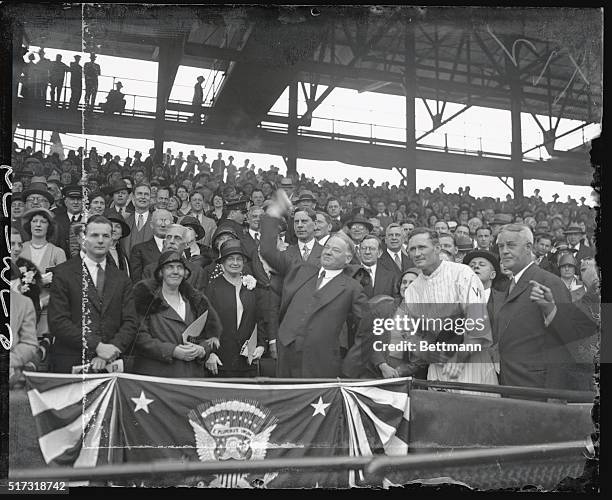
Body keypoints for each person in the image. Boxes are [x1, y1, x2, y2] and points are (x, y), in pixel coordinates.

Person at [260, 195, 367, 378]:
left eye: (336, 250)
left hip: (321, 362)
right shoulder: (299, 268)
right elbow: (268, 251)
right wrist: (274, 214)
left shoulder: (352, 287)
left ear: (348, 258)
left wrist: (350, 366)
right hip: (287, 352)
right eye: (327, 248)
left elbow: (367, 328)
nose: (328, 252)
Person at [491, 224, 595, 390]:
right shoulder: (508, 285)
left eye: (511, 245)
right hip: (511, 385)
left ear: (528, 248)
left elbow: (568, 341)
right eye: (500, 246)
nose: (504, 251)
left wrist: (553, 396)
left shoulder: (549, 282)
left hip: (538, 389)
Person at [401, 228, 498, 393]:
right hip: (438, 366)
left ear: (437, 248)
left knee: (475, 414)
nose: (417, 253)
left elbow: (477, 323)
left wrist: (459, 358)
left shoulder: (462, 273)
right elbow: (414, 337)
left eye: (422, 247)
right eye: (412, 249)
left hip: (469, 363)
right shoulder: (412, 290)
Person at [48, 215, 138, 373]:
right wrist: (97, 346)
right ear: (84, 239)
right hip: (72, 361)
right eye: (95, 235)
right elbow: (58, 321)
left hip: (111, 362)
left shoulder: (122, 278)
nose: (101, 240)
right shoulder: (63, 273)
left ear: (112, 240)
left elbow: (130, 321)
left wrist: (110, 350)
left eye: (106, 236)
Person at [132, 251, 222, 378]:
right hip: (157, 379)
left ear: (185, 273)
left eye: (180, 267)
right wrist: (172, 351)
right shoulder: (146, 300)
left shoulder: (196, 301)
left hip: (191, 378)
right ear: (160, 272)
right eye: (170, 267)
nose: (175, 271)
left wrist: (202, 350)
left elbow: (209, 336)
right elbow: (139, 337)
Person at [205, 240, 268, 377]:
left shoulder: (251, 286)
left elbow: (260, 319)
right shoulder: (212, 288)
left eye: (239, 259)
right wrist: (209, 354)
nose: (235, 263)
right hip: (220, 360)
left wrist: (262, 345)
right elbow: (204, 323)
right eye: (230, 259)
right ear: (222, 262)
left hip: (248, 360)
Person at [20, 207, 67, 336]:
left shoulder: (58, 252)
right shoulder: (19, 249)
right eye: (34, 221)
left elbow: (64, 287)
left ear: (49, 226)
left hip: (47, 313)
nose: (38, 225)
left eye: (43, 221)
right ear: (29, 225)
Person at [129, 208, 172, 282]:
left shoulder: (178, 248)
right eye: (160, 220)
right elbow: (137, 281)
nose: (163, 225)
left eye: (167, 221)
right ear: (152, 225)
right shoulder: (139, 249)